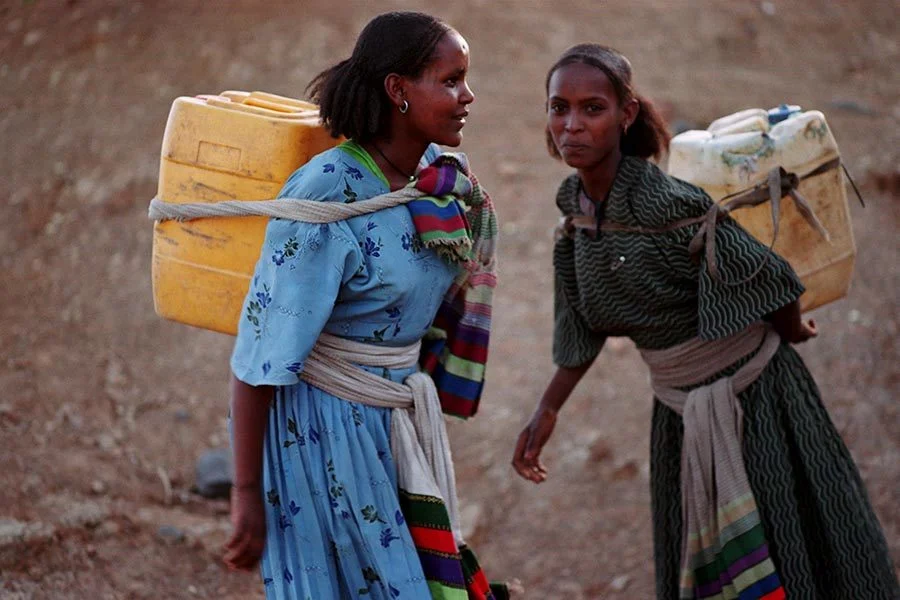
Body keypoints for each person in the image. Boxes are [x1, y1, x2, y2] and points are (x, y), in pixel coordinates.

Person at [512, 43, 899, 599]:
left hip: (756, 401)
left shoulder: (673, 207)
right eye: (558, 108)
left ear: (625, 115)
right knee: (702, 554)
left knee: (789, 543)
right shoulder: (575, 217)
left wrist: (792, 331)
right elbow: (580, 327)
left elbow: (771, 275)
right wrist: (547, 408)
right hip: (677, 414)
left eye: (591, 108)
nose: (571, 125)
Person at [223, 12, 514, 600]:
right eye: (451, 79)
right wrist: (247, 490)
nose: (468, 95)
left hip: (393, 421)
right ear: (398, 90)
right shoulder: (326, 193)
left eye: (467, 78)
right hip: (321, 434)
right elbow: (261, 350)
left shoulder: (436, 181)